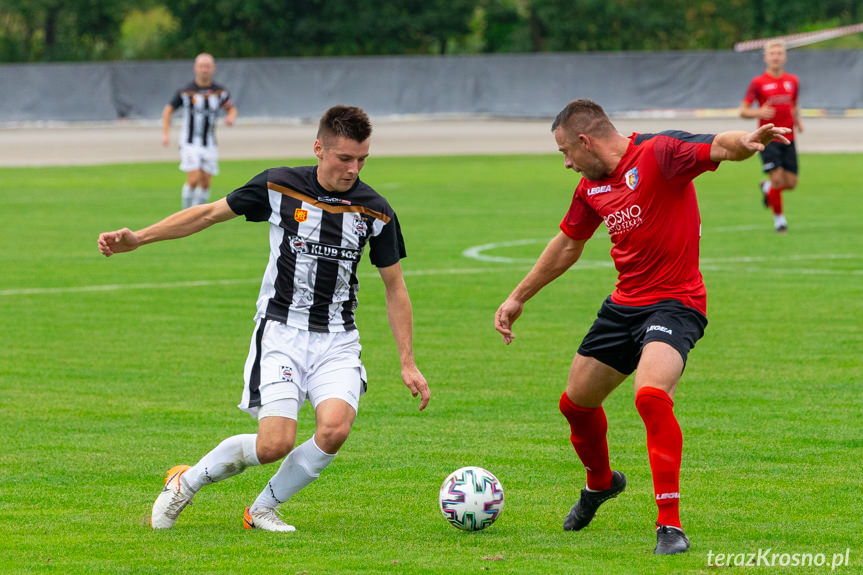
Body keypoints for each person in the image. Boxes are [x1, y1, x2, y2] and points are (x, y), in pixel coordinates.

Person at [99, 105, 430, 532]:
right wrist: (138, 239)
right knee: (275, 443)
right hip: (282, 332)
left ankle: (261, 509)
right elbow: (206, 214)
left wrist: (407, 361)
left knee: (334, 430)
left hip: (338, 339)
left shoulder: (375, 211)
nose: (354, 168)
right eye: (344, 158)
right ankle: (187, 481)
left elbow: (395, 287)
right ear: (318, 148)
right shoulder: (279, 185)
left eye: (362, 159)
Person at [494, 99, 789, 555]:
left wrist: (746, 143)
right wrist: (517, 297)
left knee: (650, 396)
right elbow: (568, 245)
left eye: (566, 153)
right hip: (624, 306)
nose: (567, 163)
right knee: (576, 405)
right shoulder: (590, 188)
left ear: (584, 141)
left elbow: (718, 146)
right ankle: (601, 483)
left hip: (676, 304)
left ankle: (669, 526)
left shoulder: (659, 153)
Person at [739, 40, 802, 233]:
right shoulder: (758, 83)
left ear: (785, 57)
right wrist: (758, 113)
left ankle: (768, 189)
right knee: (777, 180)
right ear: (766, 57)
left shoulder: (793, 81)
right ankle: (779, 221)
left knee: (790, 183)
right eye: (772, 53)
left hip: (789, 138)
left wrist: (798, 122)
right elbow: (743, 111)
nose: (776, 57)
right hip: (768, 139)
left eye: (779, 53)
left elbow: (794, 105)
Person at [162, 53, 238, 209]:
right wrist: (166, 133)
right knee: (193, 178)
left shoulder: (220, 92)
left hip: (209, 143)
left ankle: (198, 215)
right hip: (189, 142)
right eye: (201, 66)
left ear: (213, 69)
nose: (204, 70)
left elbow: (231, 109)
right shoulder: (186, 92)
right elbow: (168, 110)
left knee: (205, 183)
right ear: (195, 68)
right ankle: (185, 212)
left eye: (207, 66)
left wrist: (230, 117)